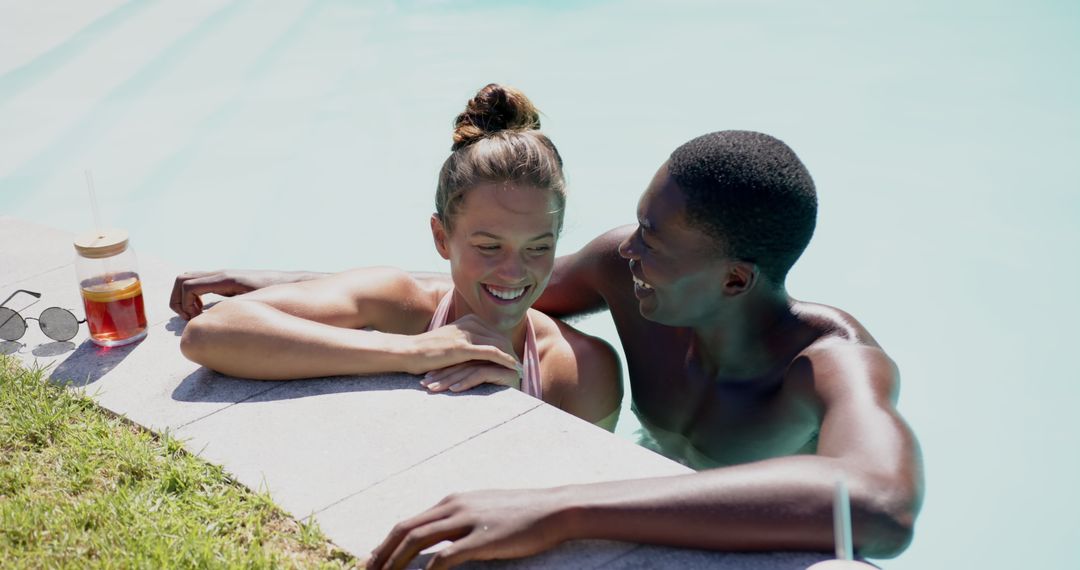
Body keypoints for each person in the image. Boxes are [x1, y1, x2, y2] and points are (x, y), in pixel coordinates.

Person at [172, 130, 924, 568]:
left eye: (653, 239)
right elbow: (501, 281)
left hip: (746, 528)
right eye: (638, 223)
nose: (628, 248)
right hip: (652, 479)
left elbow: (881, 506)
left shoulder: (830, 362)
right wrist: (285, 283)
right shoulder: (627, 273)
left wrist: (559, 510)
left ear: (734, 278)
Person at [177, 84, 622, 429]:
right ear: (442, 238)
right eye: (489, 246)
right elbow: (210, 332)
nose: (513, 271)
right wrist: (414, 351)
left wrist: (514, 404)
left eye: (539, 247)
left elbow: (581, 495)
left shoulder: (581, 368)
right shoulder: (401, 305)